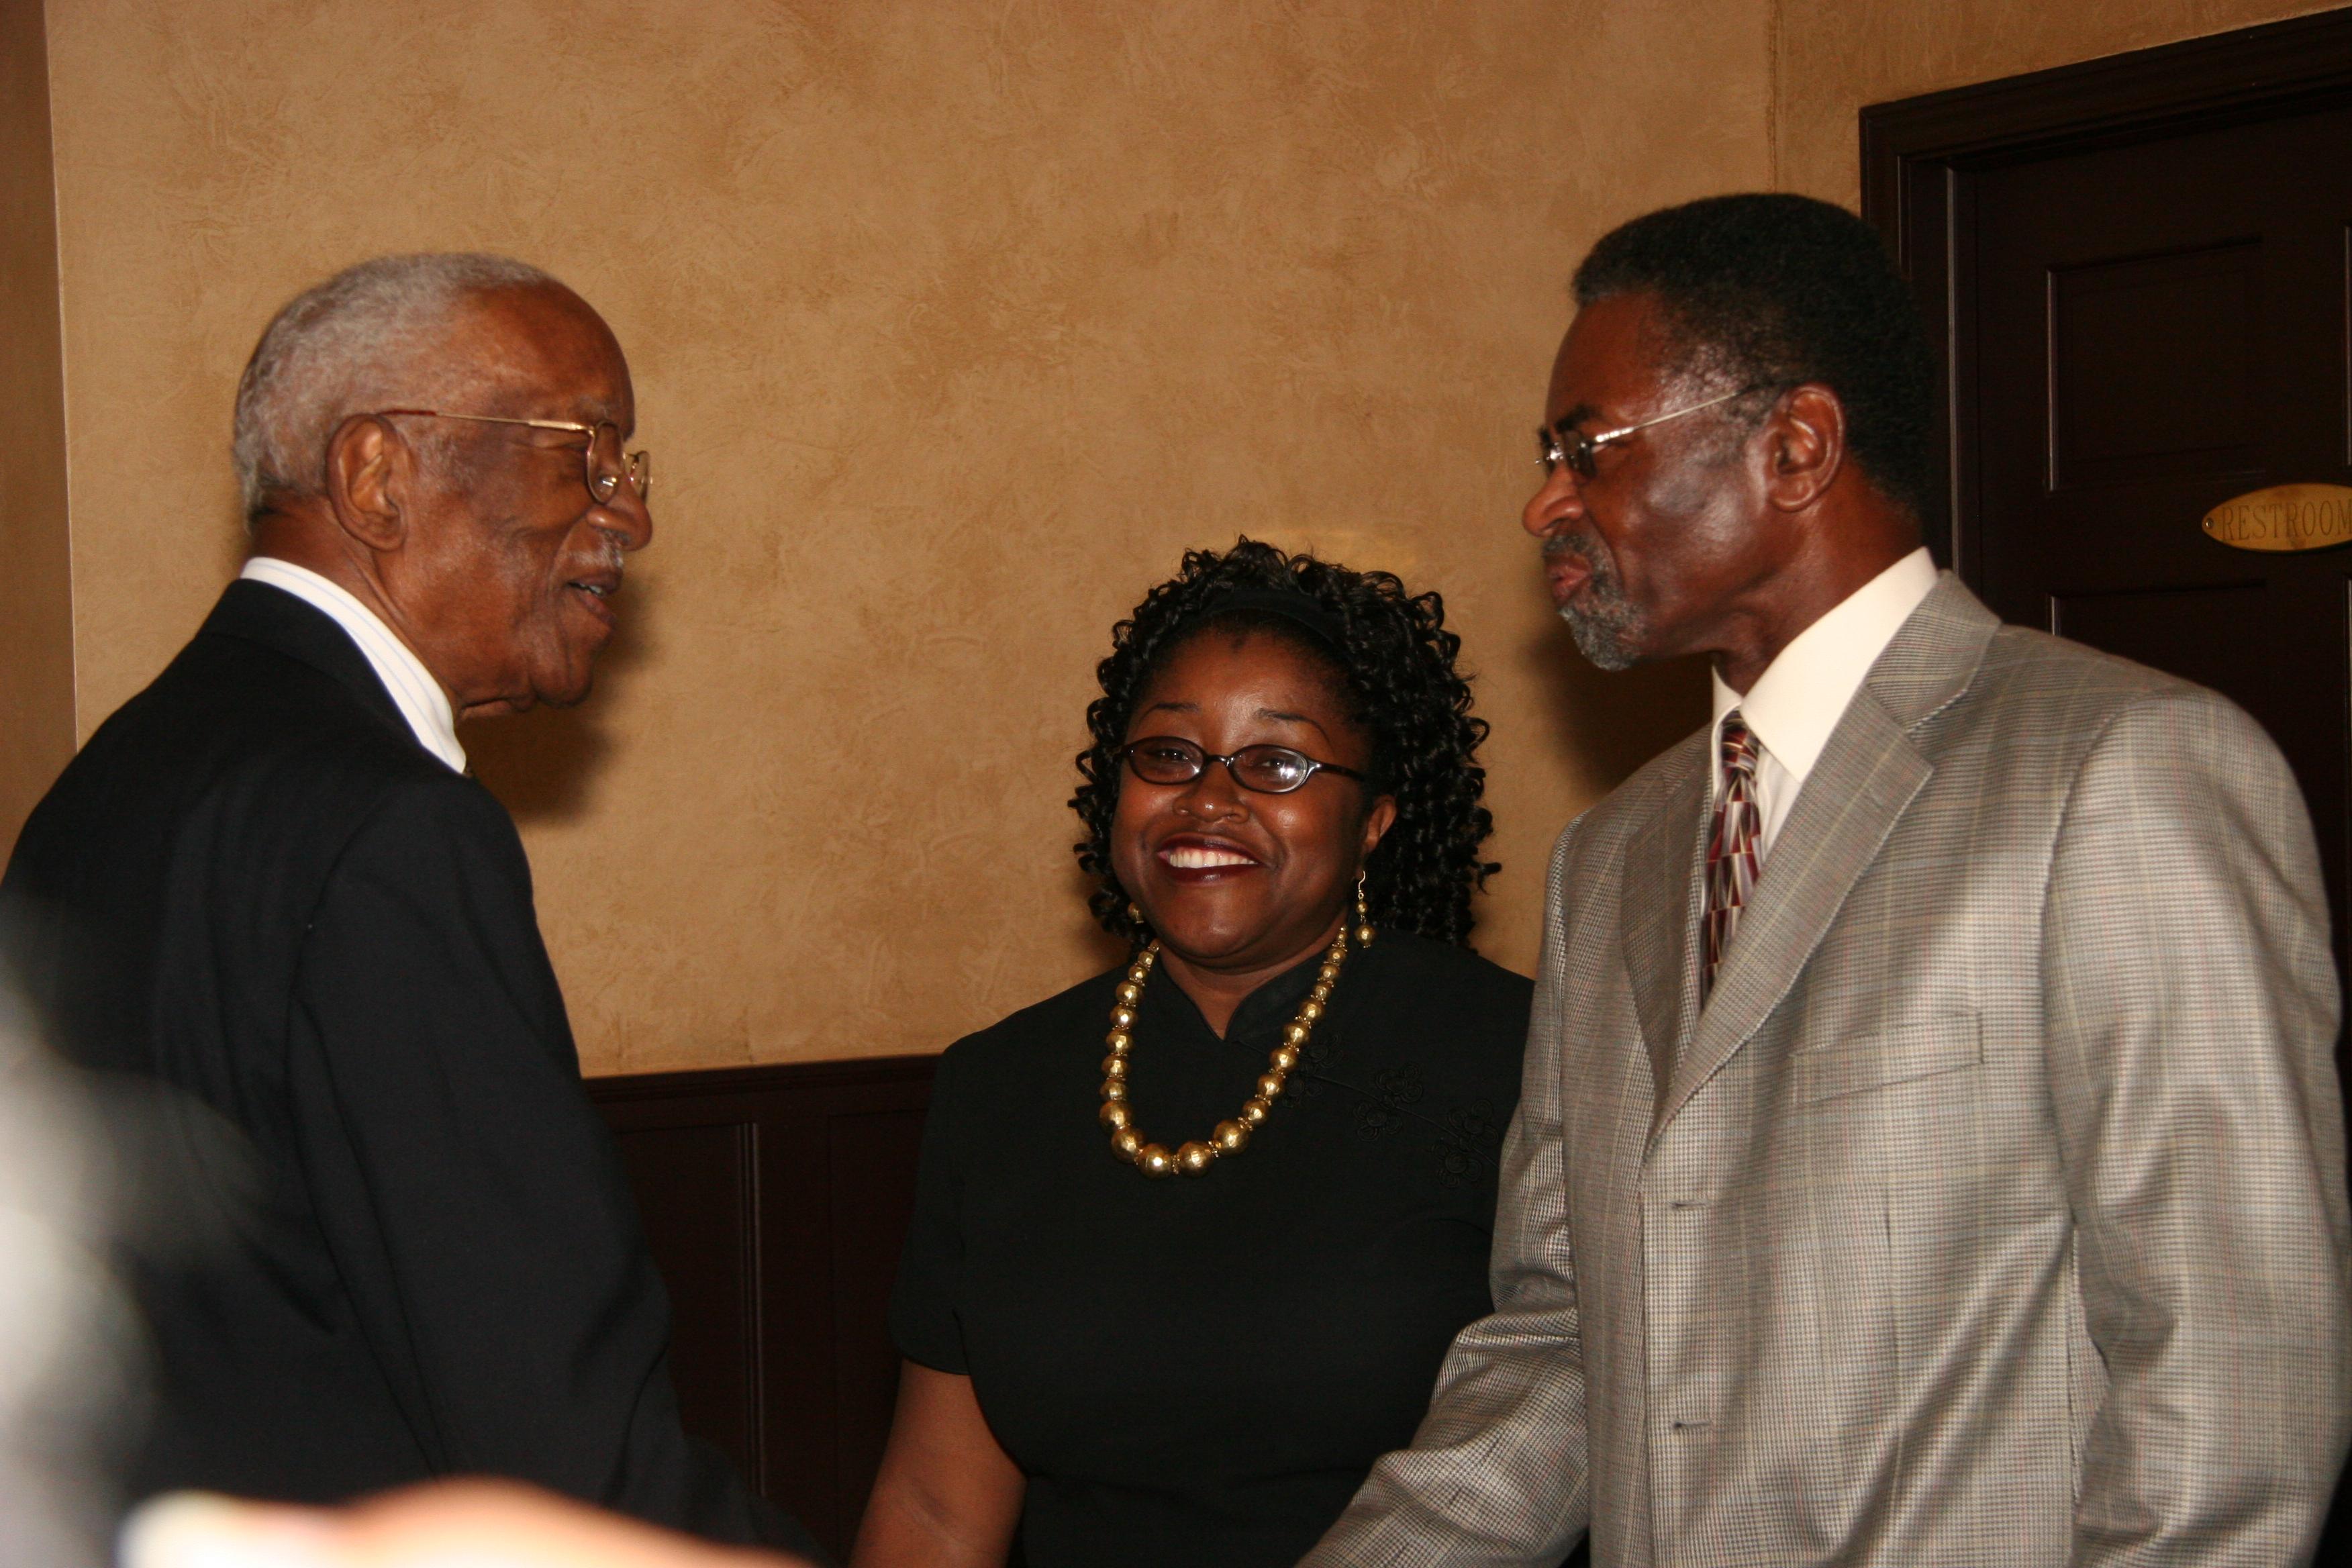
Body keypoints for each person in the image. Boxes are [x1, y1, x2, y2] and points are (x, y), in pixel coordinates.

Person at [1308, 194, 2352, 1566]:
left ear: (1794, 447)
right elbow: (1562, 1341)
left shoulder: (2124, 772)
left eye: (1586, 449)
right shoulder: (1610, 856)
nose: (1545, 501)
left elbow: (2234, 1397)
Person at [0, 254, 816, 1553]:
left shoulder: (108, 786)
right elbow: (558, 1448)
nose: (631, 518)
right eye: (587, 452)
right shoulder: (393, 830)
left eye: (631, 468)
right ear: (378, 478)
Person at [852, 541, 1532, 1568]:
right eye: (1168, 756)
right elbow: (937, 1506)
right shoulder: (1000, 1085)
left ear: (1375, 821)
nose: (1209, 800)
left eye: (1277, 763)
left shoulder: (1518, 1055)